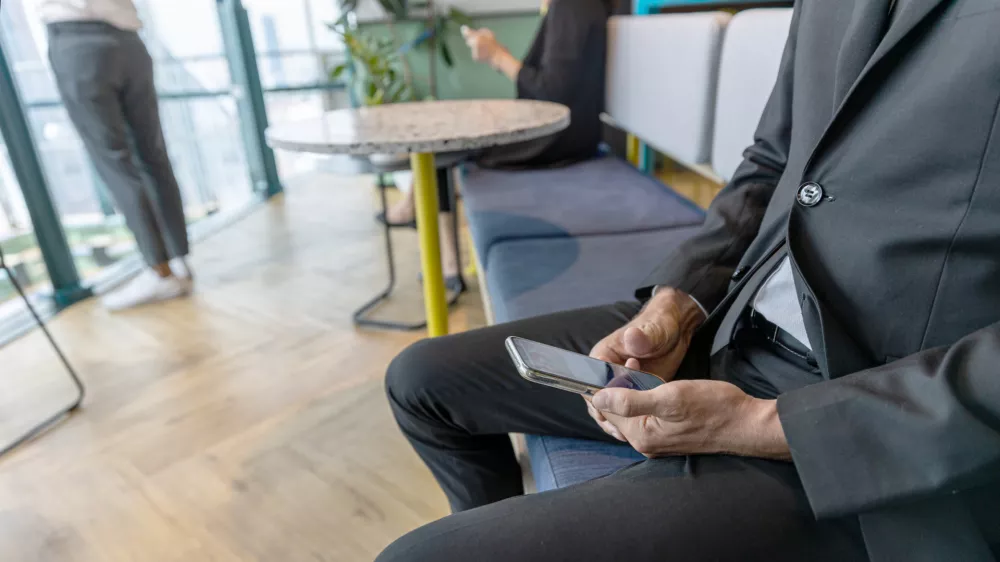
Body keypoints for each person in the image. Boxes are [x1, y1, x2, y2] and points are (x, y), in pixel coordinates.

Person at [379, 0, 1000, 560]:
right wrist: (677, 304)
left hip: (872, 408)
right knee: (420, 382)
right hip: (733, 326)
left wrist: (761, 426)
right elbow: (774, 161)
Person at [380, 0, 613, 286]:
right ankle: (414, 213)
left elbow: (551, 92)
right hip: (573, 134)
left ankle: (448, 265)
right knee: (451, 134)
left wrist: (497, 55)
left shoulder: (571, 5)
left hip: (556, 139)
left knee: (442, 141)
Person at [39, 0, 193, 311]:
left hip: (77, 41)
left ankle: (159, 272)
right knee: (153, 156)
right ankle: (179, 260)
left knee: (116, 163)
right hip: (129, 41)